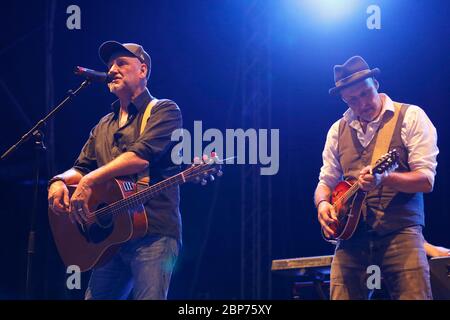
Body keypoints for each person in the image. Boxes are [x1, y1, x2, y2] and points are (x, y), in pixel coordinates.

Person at [47, 41, 182, 300]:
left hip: (153, 234)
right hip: (112, 239)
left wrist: (89, 181)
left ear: (142, 70)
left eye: (121, 63)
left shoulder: (164, 110)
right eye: (109, 65)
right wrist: (58, 181)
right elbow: (80, 168)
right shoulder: (103, 125)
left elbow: (140, 157)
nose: (112, 69)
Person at [314, 56, 439, 300]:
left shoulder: (411, 116)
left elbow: (426, 180)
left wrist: (386, 179)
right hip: (351, 239)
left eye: (365, 93)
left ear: (376, 83)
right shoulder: (337, 130)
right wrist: (323, 204)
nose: (362, 104)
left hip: (400, 233)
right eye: (352, 100)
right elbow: (325, 182)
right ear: (343, 99)